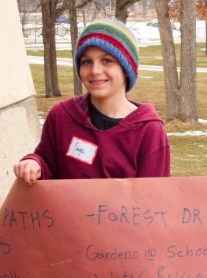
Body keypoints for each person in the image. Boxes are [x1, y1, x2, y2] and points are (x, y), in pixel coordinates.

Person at [14, 19, 170, 183]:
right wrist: (34, 163)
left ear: (126, 68)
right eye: (87, 62)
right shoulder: (61, 117)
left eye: (107, 60)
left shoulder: (149, 130)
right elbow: (47, 164)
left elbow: (153, 200)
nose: (95, 71)